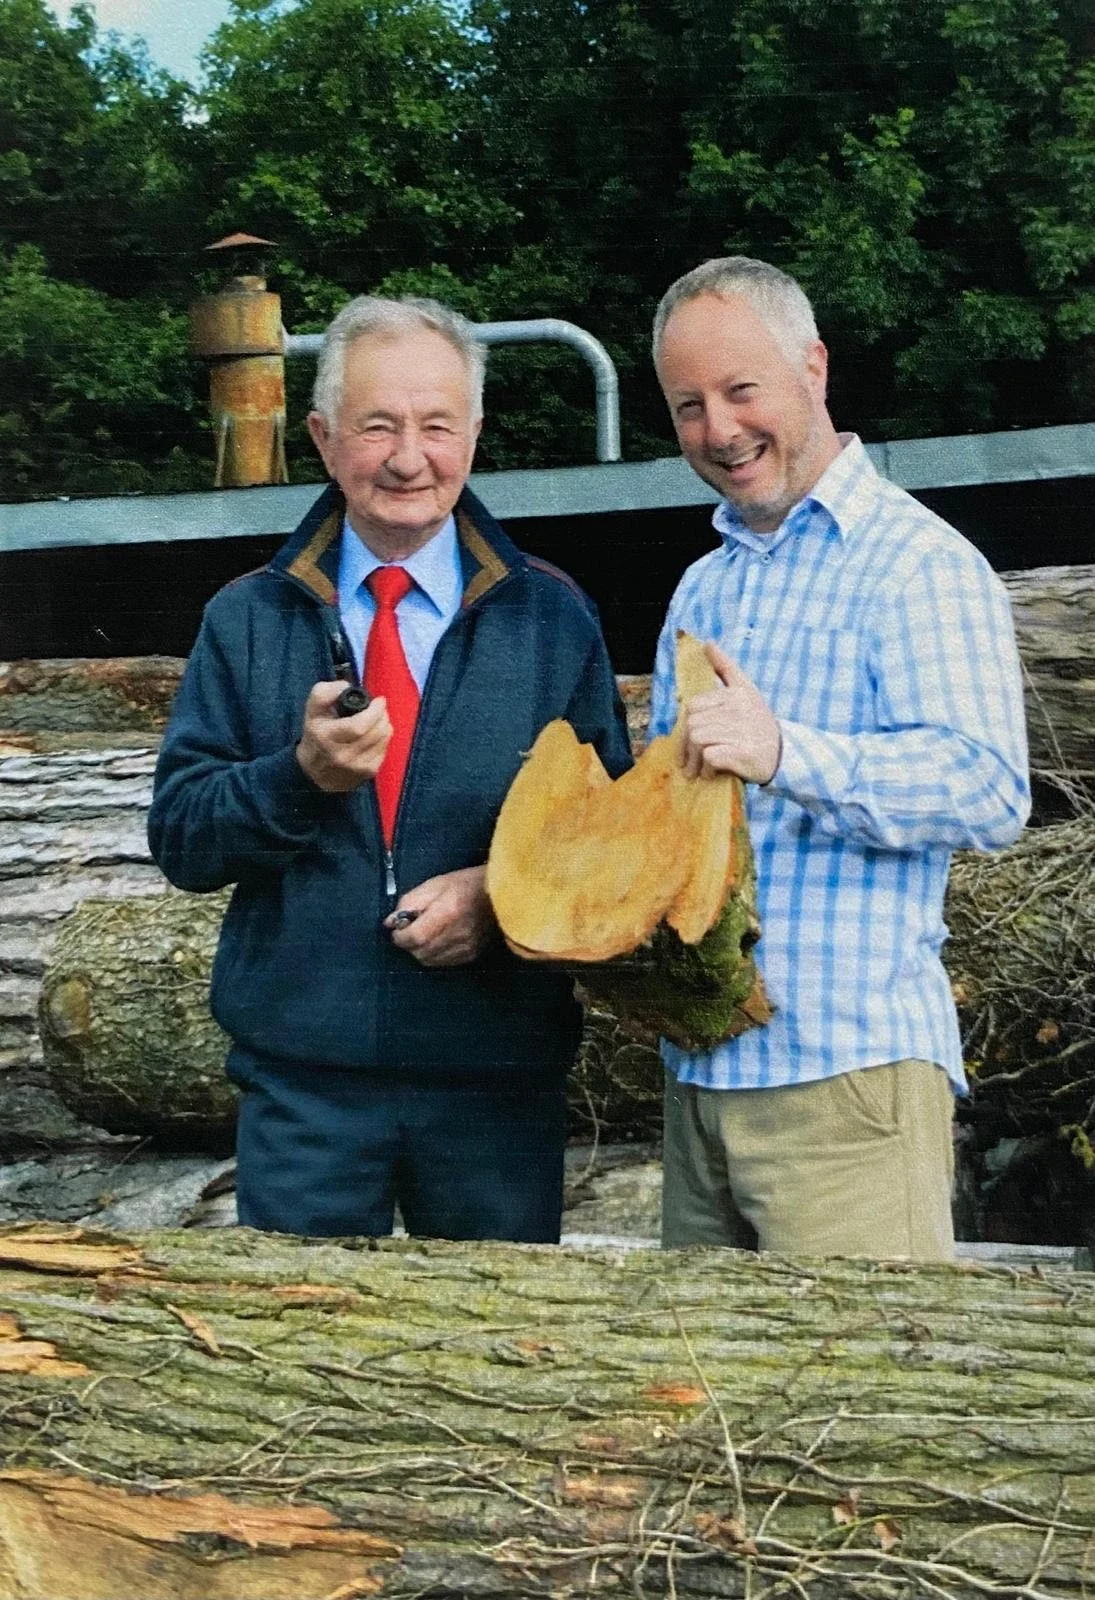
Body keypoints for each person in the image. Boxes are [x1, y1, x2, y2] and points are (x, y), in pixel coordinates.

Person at [148, 295, 631, 1242]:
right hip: (304, 1091)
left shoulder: (551, 619)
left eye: (436, 426)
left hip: (495, 1084)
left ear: (475, 435)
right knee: (305, 1363)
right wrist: (297, 778)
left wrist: (498, 900)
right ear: (325, 440)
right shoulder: (246, 619)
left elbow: (606, 846)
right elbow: (183, 838)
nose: (408, 457)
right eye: (377, 427)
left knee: (498, 1369)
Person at [647, 257, 1030, 1260]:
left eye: (741, 390)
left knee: (863, 1405)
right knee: (698, 1407)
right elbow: (671, 823)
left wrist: (788, 752)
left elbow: (989, 789)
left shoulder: (920, 564)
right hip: (699, 1083)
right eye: (690, 405)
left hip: (847, 1084)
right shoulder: (700, 590)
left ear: (812, 368)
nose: (719, 429)